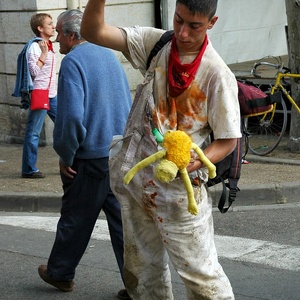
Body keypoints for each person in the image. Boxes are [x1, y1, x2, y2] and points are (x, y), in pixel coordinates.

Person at [81, 0, 242, 299]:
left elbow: (227, 140)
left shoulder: (216, 74)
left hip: (181, 192)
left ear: (211, 22)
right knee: (142, 271)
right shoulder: (157, 43)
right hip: (137, 181)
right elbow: (92, 31)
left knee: (201, 276)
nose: (182, 33)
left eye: (194, 25)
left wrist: (196, 162)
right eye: (178, 20)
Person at [37, 9, 132, 300]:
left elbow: (70, 118)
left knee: (76, 217)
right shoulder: (108, 55)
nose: (55, 38)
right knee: (124, 226)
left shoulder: (73, 62)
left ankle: (60, 273)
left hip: (89, 156)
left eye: (59, 33)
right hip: (117, 153)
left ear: (69, 34)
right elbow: (126, 102)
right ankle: (140, 285)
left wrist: (66, 154)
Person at [19, 13, 57, 178]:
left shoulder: (49, 44)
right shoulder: (35, 47)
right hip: (40, 93)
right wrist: (43, 53)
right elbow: (33, 72)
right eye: (49, 24)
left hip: (53, 94)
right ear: (40, 28)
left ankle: (76, 161)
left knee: (67, 124)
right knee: (33, 132)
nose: (53, 26)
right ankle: (28, 169)